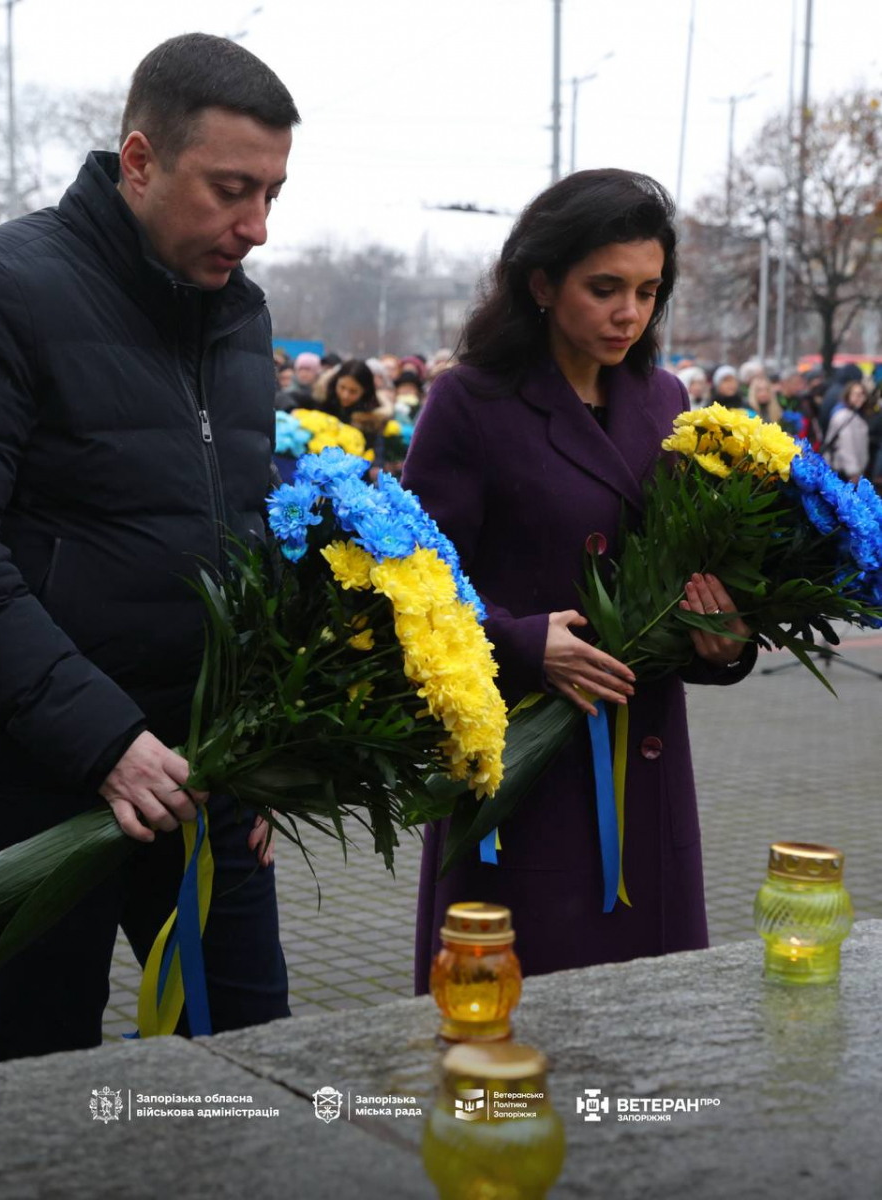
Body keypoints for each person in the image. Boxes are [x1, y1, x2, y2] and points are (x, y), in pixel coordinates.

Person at [0, 33, 299, 1063]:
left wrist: (263, 742)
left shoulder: (241, 315)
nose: (256, 226)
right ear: (140, 160)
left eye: (273, 193)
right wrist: (101, 740)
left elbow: (246, 537)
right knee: (47, 1076)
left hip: (211, 772)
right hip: (41, 772)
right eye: (231, 189)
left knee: (249, 1057)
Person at [402, 168, 757, 989]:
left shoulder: (666, 399)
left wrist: (724, 638)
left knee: (644, 1043)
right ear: (540, 282)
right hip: (526, 771)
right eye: (603, 288)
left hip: (646, 767)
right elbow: (415, 586)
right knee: (514, 1037)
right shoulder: (468, 404)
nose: (628, 312)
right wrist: (525, 644)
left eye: (646, 290)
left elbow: (694, 571)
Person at [822, 379, 871, 481]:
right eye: (856, 394)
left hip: (851, 471)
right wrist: (853, 472)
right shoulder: (843, 416)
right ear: (847, 395)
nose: (860, 398)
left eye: (862, 394)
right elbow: (846, 446)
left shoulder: (855, 415)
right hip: (843, 472)